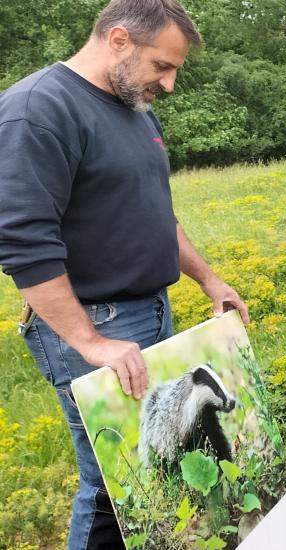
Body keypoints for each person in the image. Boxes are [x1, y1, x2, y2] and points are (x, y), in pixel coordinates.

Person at [0, 1, 250, 548]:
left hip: (151, 309)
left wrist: (208, 280)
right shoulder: (39, 109)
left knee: (168, 467)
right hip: (94, 325)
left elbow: (155, 212)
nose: (170, 83)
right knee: (114, 490)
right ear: (118, 40)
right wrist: (91, 342)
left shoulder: (133, 108)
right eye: (163, 66)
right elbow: (22, 243)